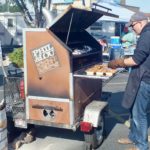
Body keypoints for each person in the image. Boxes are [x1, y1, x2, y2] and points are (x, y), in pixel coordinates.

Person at [108, 12, 150, 150]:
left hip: (144, 80)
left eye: (132, 26)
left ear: (141, 22)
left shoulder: (147, 34)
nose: (132, 29)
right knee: (133, 110)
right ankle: (133, 137)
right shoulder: (145, 34)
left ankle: (141, 146)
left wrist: (118, 62)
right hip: (141, 76)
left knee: (139, 115)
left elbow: (136, 59)